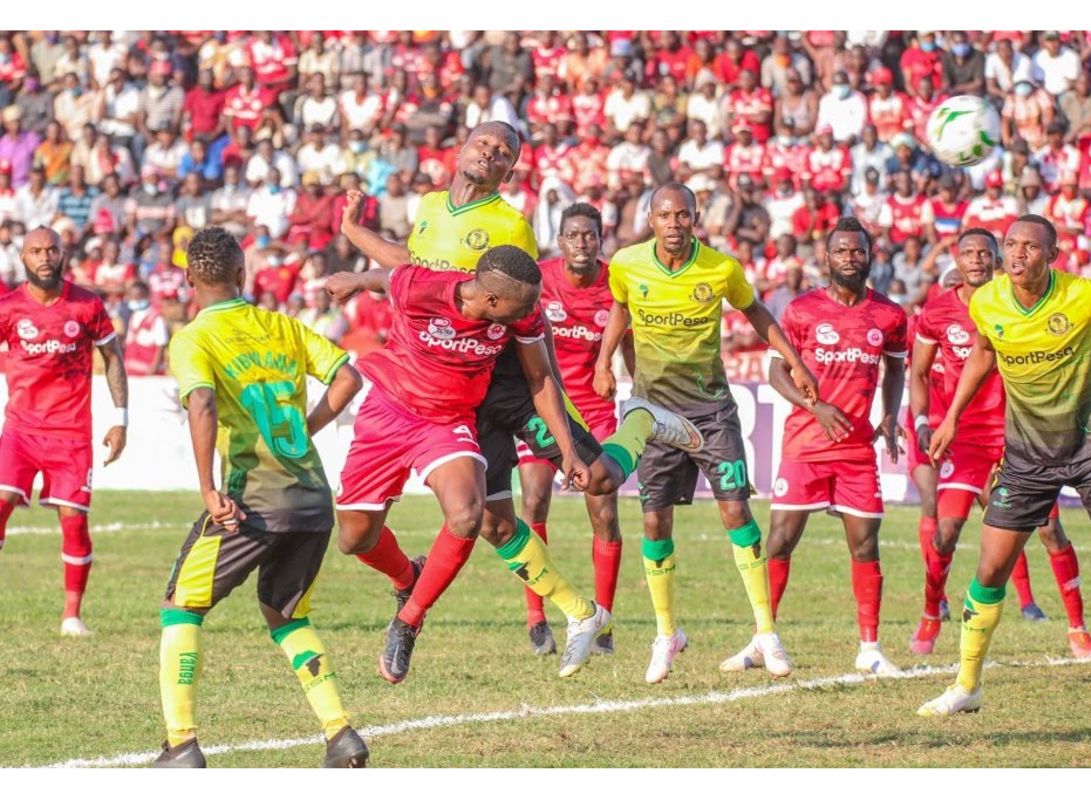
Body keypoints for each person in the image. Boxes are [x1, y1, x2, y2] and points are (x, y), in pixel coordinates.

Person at [334, 122, 706, 683]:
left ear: (509, 172)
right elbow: (407, 269)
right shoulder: (432, 207)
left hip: (500, 377)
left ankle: (640, 421)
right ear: (459, 149)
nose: (490, 153)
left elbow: (512, 301)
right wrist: (355, 242)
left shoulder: (508, 226)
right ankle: (576, 613)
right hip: (439, 386)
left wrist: (556, 420)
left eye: (503, 152)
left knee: (597, 480)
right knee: (492, 522)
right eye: (483, 143)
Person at [919, 215, 1091, 727]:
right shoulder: (987, 301)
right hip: (1026, 458)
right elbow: (983, 351)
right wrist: (953, 415)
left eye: (1030, 245)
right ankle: (966, 685)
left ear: (1053, 253)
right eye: (1010, 245)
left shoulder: (1086, 294)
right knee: (989, 570)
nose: (1016, 253)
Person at [154, 227, 368, 768]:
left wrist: (207, 488)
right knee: (287, 616)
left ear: (188, 279)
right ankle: (340, 734)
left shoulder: (193, 338)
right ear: (242, 275)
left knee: (182, 608)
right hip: (314, 499)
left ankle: (181, 744)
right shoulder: (282, 325)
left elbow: (201, 403)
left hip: (253, 502)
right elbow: (348, 377)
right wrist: (305, 428)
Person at [594, 182, 819, 684]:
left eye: (684, 216)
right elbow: (620, 309)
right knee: (655, 524)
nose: (675, 224)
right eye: (666, 215)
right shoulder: (627, 265)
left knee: (736, 510)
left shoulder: (720, 269)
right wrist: (604, 361)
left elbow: (756, 312)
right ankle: (666, 633)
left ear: (696, 219)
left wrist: (795, 361)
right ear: (651, 219)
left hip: (712, 410)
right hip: (653, 414)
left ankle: (765, 632)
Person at [908, 228, 1091, 658]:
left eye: (984, 253)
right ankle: (930, 614)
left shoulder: (1014, 300)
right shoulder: (936, 313)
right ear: (956, 261)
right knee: (947, 530)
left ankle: (1078, 627)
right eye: (967, 253)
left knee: (1049, 529)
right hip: (968, 441)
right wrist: (923, 420)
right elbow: (919, 373)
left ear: (996, 260)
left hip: (1019, 436)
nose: (976, 259)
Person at [756, 216, 908, 677]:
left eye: (857, 251)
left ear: (869, 255)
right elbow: (776, 372)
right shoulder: (801, 311)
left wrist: (889, 413)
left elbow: (897, 368)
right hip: (805, 443)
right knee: (781, 539)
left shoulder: (890, 315)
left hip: (858, 447)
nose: (849, 258)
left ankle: (870, 647)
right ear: (826, 258)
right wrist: (816, 406)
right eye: (841, 251)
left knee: (865, 545)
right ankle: (764, 635)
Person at [515, 203, 633, 656]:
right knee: (533, 500)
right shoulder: (540, 280)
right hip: (543, 409)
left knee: (604, 514)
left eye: (589, 235)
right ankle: (536, 618)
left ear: (600, 240)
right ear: (560, 240)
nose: (581, 241)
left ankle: (602, 619)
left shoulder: (615, 284)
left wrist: (632, 384)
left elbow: (631, 341)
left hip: (595, 413)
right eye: (573, 235)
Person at [0, 227, 127, 637]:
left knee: (74, 520)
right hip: (20, 430)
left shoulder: (86, 305)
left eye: (51, 249)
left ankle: (72, 616)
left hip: (71, 434)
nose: (44, 257)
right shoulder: (8, 308)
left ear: (63, 254)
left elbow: (113, 357)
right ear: (23, 258)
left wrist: (120, 419)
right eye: (36, 250)